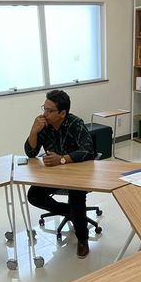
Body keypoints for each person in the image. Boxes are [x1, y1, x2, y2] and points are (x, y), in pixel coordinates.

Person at [24, 89, 95, 257]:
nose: (45, 114)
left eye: (49, 111)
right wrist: (33, 131)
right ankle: (70, 212)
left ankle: (82, 239)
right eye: (44, 109)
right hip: (54, 175)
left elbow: (88, 151)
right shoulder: (44, 126)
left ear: (62, 113)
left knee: (77, 196)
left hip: (77, 173)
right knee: (34, 196)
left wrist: (62, 159)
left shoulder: (75, 123)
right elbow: (31, 153)